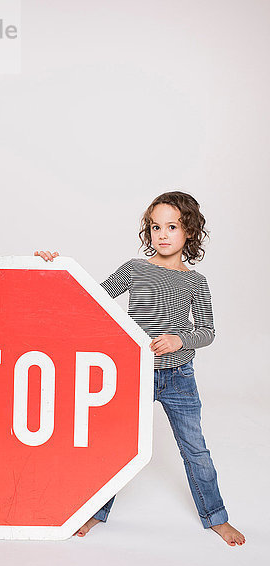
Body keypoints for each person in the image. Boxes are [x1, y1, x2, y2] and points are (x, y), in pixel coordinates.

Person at [34, 191, 245, 547]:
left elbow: (207, 331)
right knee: (115, 445)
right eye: (155, 227)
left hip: (180, 379)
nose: (162, 234)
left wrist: (180, 339)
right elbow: (91, 300)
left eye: (172, 226)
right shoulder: (135, 270)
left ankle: (216, 518)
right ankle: (95, 512)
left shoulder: (196, 282)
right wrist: (55, 269)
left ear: (189, 231)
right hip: (135, 372)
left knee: (195, 449)